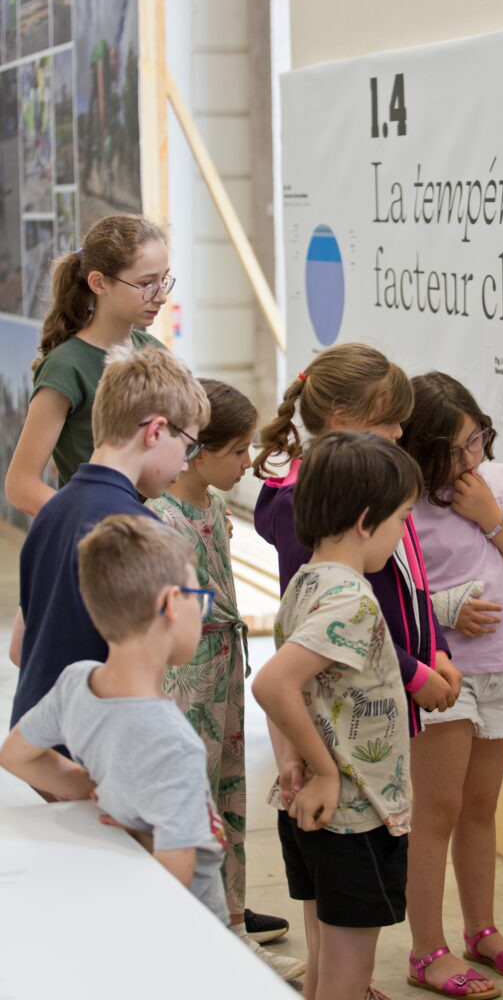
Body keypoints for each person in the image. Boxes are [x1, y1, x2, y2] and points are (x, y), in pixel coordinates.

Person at [252, 431, 424, 1000]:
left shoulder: (306, 582)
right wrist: (324, 771)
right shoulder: (351, 598)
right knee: (347, 979)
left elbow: (291, 691)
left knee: (324, 971)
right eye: (401, 521)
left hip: (313, 810)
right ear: (366, 520)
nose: (400, 536)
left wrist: (291, 761)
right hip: (352, 813)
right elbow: (274, 683)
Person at [400, 373, 503, 993]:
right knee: (436, 809)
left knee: (481, 807)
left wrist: (492, 518)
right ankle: (426, 949)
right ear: (421, 450)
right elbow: (393, 594)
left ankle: (482, 930)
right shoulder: (405, 500)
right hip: (442, 673)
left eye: (477, 441)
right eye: (455, 450)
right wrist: (444, 611)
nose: (472, 459)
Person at [0, 515, 232, 925]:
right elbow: (174, 882)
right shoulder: (172, 742)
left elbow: (16, 755)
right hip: (189, 936)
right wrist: (142, 834)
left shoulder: (76, 683)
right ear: (169, 605)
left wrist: (98, 789)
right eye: (197, 594)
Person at [146, 379, 295, 955]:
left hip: (225, 668)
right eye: (237, 451)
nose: (247, 463)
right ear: (197, 450)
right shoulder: (158, 516)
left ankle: (231, 912)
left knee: (229, 787)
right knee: (194, 792)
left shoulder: (210, 505)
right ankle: (194, 918)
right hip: (185, 674)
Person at [253, 342, 460, 736]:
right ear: (341, 419)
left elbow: (413, 580)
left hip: (387, 687)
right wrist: (414, 674)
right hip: (343, 707)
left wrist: (434, 648)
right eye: (388, 421)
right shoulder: (301, 502)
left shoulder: (384, 484)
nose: (399, 432)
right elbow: (325, 621)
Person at [9, 345, 208, 729]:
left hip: (39, 733)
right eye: (187, 446)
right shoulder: (138, 528)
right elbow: (182, 648)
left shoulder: (51, 510)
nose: (185, 465)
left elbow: (19, 648)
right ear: (155, 431)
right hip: (100, 741)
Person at [5, 213, 173, 517]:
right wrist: (90, 518)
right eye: (147, 283)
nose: (161, 296)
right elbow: (20, 484)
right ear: (99, 283)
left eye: (164, 280)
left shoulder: (156, 353)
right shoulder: (65, 367)